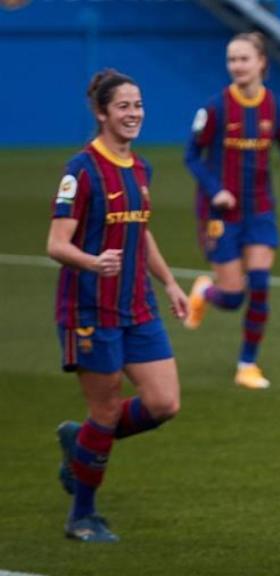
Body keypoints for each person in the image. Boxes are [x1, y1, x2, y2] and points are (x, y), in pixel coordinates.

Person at [48, 69, 188, 542]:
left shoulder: (141, 168)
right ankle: (82, 516)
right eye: (124, 106)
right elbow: (56, 243)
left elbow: (139, 231)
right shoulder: (81, 170)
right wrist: (92, 262)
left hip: (138, 306)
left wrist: (169, 283)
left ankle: (81, 441)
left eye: (138, 105)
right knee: (105, 411)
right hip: (90, 310)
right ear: (102, 112)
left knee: (163, 402)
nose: (134, 114)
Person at [183, 32, 280, 390]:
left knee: (261, 284)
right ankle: (205, 291)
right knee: (233, 297)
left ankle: (247, 364)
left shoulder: (278, 108)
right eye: (232, 59)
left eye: (243, 59)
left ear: (261, 62)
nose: (237, 65)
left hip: (260, 209)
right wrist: (216, 189)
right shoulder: (215, 109)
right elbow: (192, 155)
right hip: (221, 213)